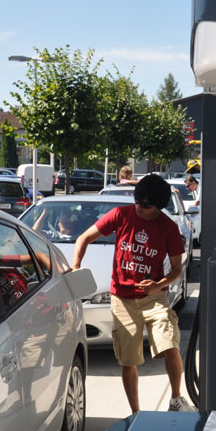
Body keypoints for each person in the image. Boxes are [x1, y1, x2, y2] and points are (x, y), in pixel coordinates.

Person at [72, 173, 191, 413]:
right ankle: (135, 413)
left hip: (154, 299)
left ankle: (176, 398)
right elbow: (84, 238)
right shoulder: (121, 215)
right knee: (128, 360)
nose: (139, 208)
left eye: (145, 205)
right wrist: (76, 267)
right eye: (137, 201)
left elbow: (177, 270)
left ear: (158, 206)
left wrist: (157, 285)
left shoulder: (168, 227)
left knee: (170, 346)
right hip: (122, 299)